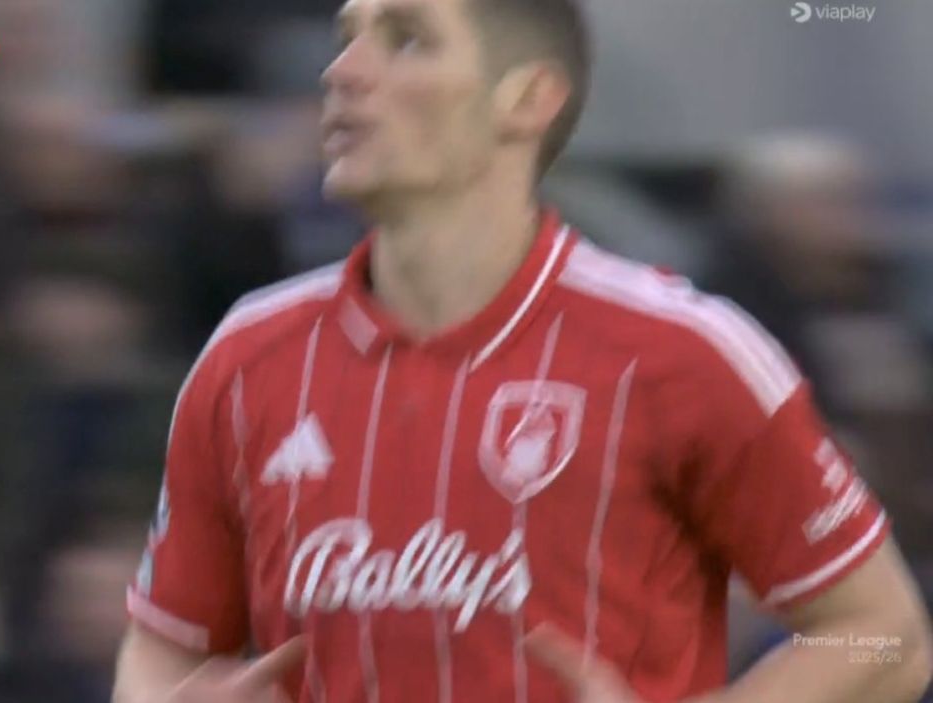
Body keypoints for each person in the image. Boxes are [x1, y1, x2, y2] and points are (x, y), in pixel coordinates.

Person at [112, 0, 933, 700]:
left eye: (406, 41)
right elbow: (162, 648)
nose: (341, 72)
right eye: (345, 39)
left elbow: (885, 636)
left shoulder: (684, 354)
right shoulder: (248, 358)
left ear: (527, 99)